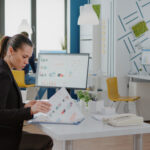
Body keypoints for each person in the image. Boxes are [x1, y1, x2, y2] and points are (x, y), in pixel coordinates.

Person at [0, 34, 53, 150]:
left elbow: (7, 105)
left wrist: (25, 106)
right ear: (10, 51)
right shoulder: (3, 74)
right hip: (5, 138)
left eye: (28, 58)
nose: (27, 62)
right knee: (47, 141)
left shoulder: (5, 69)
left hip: (7, 133)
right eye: (24, 57)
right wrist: (29, 111)